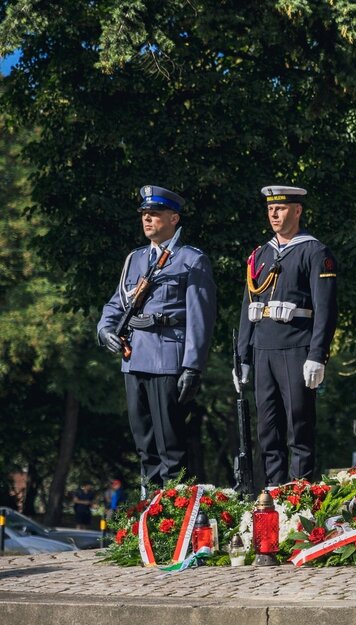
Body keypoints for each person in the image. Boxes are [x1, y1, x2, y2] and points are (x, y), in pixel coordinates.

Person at [98, 186, 216, 492]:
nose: (147, 220)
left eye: (154, 214)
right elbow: (116, 303)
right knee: (144, 448)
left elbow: (200, 318)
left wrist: (193, 366)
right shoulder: (135, 260)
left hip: (168, 360)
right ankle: (147, 520)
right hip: (134, 358)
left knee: (171, 450)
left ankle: (175, 522)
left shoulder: (191, 259)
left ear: (174, 218)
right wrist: (105, 330)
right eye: (144, 215)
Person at [236, 185, 339, 486]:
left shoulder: (315, 252)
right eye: (270, 209)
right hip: (263, 348)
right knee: (268, 430)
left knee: (299, 426)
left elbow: (326, 309)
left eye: (280, 209)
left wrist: (317, 355)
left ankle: (297, 496)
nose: (274, 215)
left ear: (297, 210)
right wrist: (243, 356)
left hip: (296, 347)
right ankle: (271, 493)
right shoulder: (260, 255)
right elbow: (248, 308)